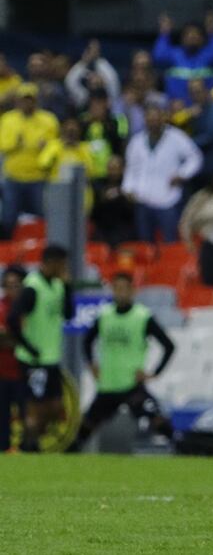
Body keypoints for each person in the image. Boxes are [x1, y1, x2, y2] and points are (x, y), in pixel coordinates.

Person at [72, 273, 175, 451]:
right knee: (84, 429)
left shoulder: (142, 316)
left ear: (132, 291)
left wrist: (154, 373)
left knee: (159, 422)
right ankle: (67, 460)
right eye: (117, 288)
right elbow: (86, 341)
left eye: (124, 289)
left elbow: (169, 346)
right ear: (112, 290)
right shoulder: (104, 315)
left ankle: (184, 452)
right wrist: (91, 364)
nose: (120, 293)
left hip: (132, 385)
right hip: (108, 384)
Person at [7, 245, 74, 452]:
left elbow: (69, 314)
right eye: (61, 264)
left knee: (54, 408)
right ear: (50, 263)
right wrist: (28, 347)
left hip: (50, 357)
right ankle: (28, 446)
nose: (64, 268)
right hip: (33, 359)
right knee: (35, 407)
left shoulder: (57, 286)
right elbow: (12, 319)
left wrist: (68, 288)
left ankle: (31, 443)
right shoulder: (32, 288)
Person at [122, 104, 203, 243]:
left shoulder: (177, 137)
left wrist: (182, 174)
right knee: (145, 244)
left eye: (156, 119)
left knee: (170, 242)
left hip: (168, 199)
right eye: (149, 119)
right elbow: (131, 168)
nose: (153, 122)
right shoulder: (136, 142)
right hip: (143, 198)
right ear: (145, 120)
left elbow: (195, 158)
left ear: (162, 119)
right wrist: (128, 188)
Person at [0, 83, 59, 236]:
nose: (27, 103)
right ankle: (5, 252)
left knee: (44, 217)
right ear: (17, 101)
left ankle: (43, 249)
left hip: (38, 177)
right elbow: (2, 145)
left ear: (36, 101)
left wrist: (46, 146)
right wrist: (15, 143)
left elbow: (56, 146)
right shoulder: (8, 119)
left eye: (30, 100)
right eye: (24, 100)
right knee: (8, 218)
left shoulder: (48, 119)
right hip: (14, 177)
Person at [153, 11, 213, 103]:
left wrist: (211, 31)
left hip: (205, 107)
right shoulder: (173, 54)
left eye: (196, 34)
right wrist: (165, 32)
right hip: (177, 108)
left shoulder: (209, 55)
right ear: (182, 38)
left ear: (203, 38)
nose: (192, 36)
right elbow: (159, 56)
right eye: (188, 34)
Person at [0, 267, 26, 452]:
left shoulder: (28, 308)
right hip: (2, 371)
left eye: (16, 285)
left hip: (24, 370)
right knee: (2, 417)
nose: (12, 290)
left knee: (27, 415)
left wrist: (11, 338)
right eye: (8, 285)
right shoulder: (1, 307)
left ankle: (27, 449)